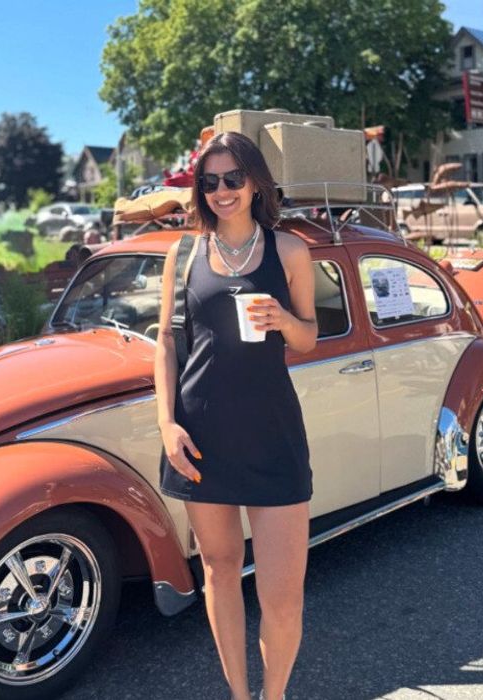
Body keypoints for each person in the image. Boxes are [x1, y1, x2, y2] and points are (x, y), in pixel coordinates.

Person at [155, 130, 316, 700]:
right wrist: (166, 423)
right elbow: (167, 343)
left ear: (255, 182)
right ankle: (240, 696)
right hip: (201, 437)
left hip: (273, 436)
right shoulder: (184, 254)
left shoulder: (289, 251)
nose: (221, 191)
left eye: (233, 178)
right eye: (210, 181)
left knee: (283, 597)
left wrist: (284, 321)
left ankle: (275, 695)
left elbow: (308, 338)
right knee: (219, 573)